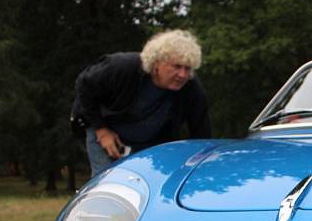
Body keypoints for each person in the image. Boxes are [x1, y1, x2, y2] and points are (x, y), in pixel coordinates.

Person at [71, 29, 212, 176]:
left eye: (187, 69)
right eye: (176, 67)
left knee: (154, 182)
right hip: (105, 129)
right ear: (157, 63)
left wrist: (200, 165)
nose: (182, 75)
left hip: (150, 141)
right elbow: (84, 84)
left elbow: (201, 130)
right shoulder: (122, 67)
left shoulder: (191, 88)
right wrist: (101, 130)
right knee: (106, 180)